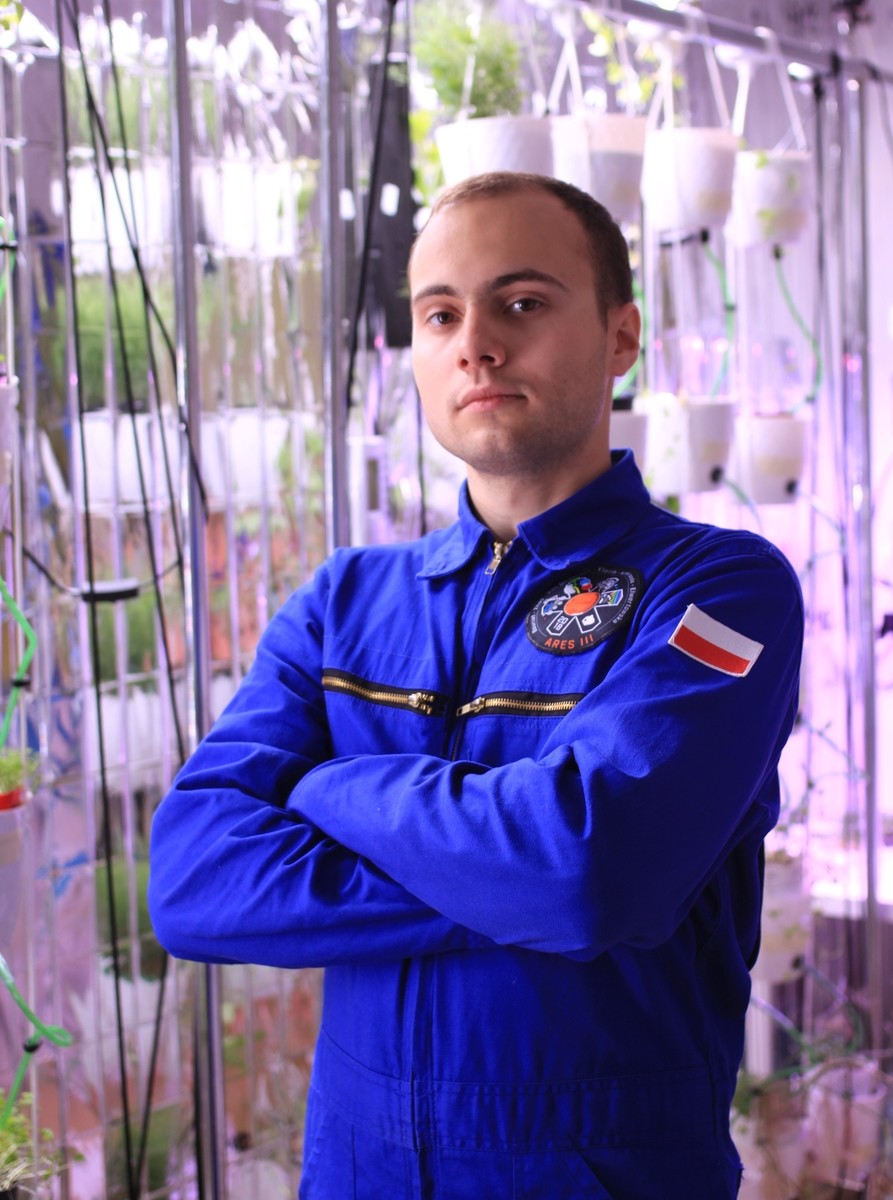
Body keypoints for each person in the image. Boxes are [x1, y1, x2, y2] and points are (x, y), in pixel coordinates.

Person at [149, 172, 804, 1199]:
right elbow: (193, 882)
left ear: (622, 336)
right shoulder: (342, 603)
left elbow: (589, 872)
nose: (476, 346)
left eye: (522, 303)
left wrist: (326, 787)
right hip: (357, 1176)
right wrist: (517, 877)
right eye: (440, 314)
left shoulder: (719, 590)